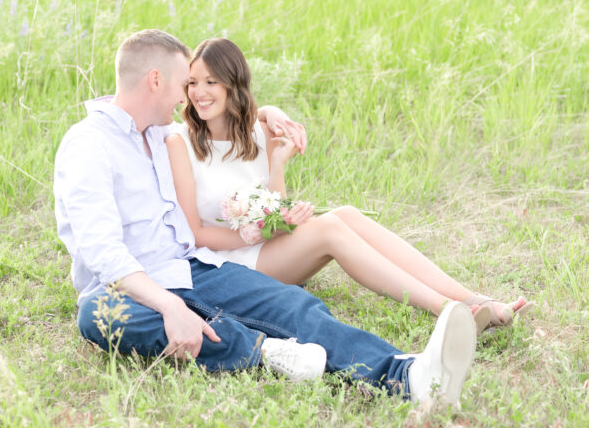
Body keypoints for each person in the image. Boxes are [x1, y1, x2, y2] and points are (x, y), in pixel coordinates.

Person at [54, 29, 478, 407]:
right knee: (96, 314)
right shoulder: (89, 145)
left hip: (192, 267)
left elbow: (221, 113)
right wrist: (167, 305)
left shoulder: (159, 133)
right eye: (183, 84)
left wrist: (268, 111)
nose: (187, 97)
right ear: (155, 81)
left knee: (294, 305)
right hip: (127, 289)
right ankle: (265, 351)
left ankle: (409, 376)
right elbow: (101, 250)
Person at [166, 38, 532, 333]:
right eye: (193, 82)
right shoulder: (180, 143)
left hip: (267, 249)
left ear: (233, 85)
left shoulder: (258, 133)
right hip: (229, 263)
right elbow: (195, 234)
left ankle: (472, 298)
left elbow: (271, 204)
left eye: (211, 81)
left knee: (347, 215)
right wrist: (260, 234)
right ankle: (450, 312)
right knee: (330, 230)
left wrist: (278, 170)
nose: (200, 92)